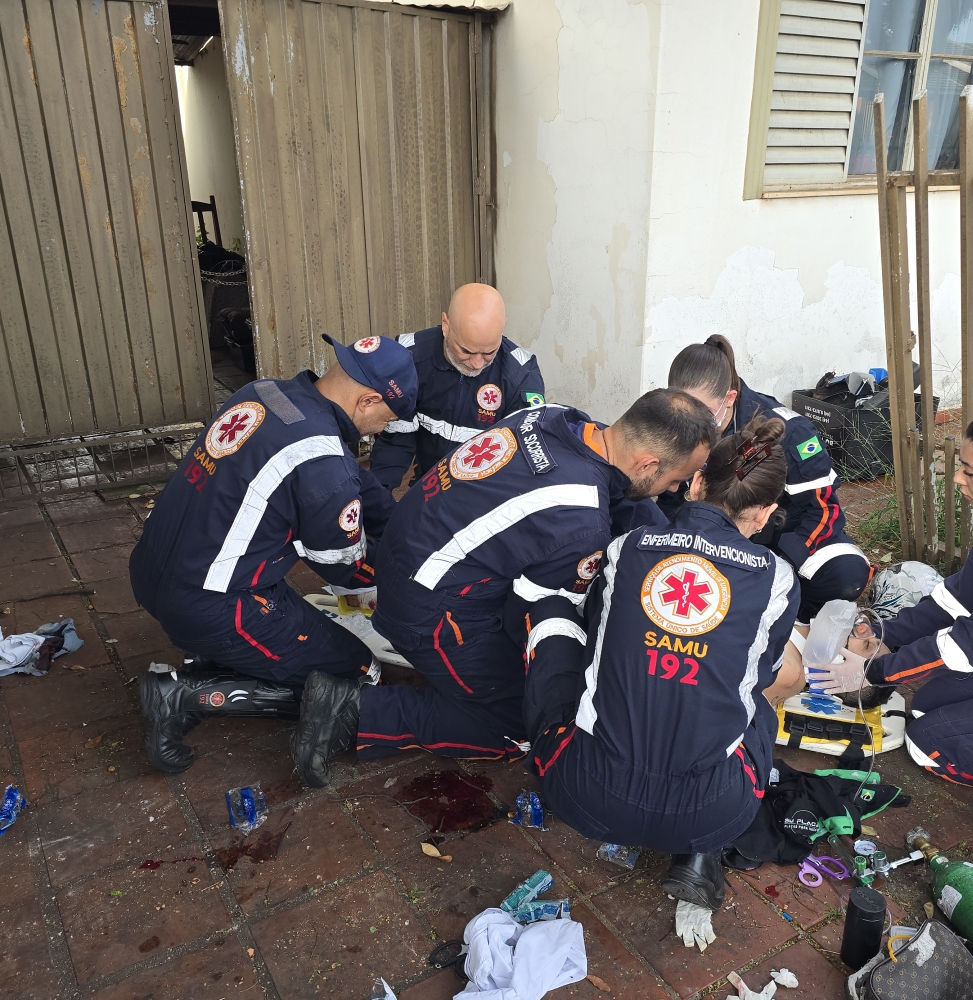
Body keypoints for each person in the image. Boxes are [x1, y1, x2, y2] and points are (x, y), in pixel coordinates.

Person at [289, 390, 717, 787]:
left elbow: (621, 495)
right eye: (675, 480)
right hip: (426, 611)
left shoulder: (555, 417)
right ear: (646, 464)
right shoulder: (580, 522)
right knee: (524, 724)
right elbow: (534, 624)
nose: (673, 490)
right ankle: (356, 710)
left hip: (406, 559)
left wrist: (679, 545)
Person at [518, 415, 802, 910]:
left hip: (583, 792)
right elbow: (759, 675)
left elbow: (601, 643)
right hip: (712, 812)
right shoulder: (777, 578)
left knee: (553, 614)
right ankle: (701, 854)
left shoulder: (627, 547)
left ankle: (537, 741)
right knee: (762, 696)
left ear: (696, 483)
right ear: (765, 514)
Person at [130, 334, 417, 773]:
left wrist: (403, 526)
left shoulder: (264, 391)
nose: (382, 430)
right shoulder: (323, 465)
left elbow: (355, 480)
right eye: (387, 420)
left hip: (151, 569)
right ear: (368, 401)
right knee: (358, 675)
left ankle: (217, 660)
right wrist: (414, 577)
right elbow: (346, 566)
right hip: (214, 604)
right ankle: (183, 695)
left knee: (294, 640)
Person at [811, 403, 973, 797]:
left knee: (929, 746)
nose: (957, 478)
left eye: (970, 471)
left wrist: (874, 671)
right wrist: (886, 632)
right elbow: (960, 597)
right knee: (925, 706)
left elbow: (971, 647)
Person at [663, 335, 871, 623]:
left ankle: (790, 621)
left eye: (702, 412)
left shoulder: (791, 432)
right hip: (707, 530)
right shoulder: (672, 421)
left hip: (778, 538)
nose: (689, 423)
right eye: (681, 410)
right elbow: (669, 498)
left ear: (729, 399)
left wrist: (776, 564)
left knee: (846, 572)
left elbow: (823, 511)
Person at [368, 283, 546, 490]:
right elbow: (396, 441)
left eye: (489, 352)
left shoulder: (521, 377)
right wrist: (377, 499)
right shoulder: (410, 359)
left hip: (486, 491)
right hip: (428, 484)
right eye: (466, 351)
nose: (477, 364)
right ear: (446, 325)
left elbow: (523, 462)